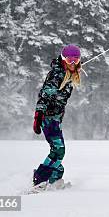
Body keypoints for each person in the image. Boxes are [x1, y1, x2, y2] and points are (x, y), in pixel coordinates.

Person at [32, 44, 82, 189]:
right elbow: (44, 96)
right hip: (48, 118)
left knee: (57, 151)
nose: (72, 62)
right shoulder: (57, 74)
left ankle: (54, 179)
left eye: (76, 59)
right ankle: (40, 179)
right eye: (69, 59)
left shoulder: (67, 71)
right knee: (59, 150)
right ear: (63, 59)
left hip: (55, 119)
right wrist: (38, 115)